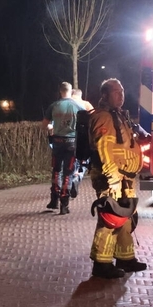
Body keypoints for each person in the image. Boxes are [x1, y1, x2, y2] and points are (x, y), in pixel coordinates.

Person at [88, 78, 148, 279]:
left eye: (121, 91)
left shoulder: (119, 115)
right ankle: (101, 263)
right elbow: (105, 149)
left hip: (124, 177)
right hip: (112, 178)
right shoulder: (103, 117)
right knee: (110, 218)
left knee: (125, 217)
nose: (121, 95)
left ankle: (125, 258)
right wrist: (112, 179)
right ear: (105, 95)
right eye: (116, 92)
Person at [43, 81, 85, 214]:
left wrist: (52, 127)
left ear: (60, 91)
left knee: (56, 170)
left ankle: (54, 199)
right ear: (71, 91)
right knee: (68, 173)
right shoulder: (78, 106)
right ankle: (64, 204)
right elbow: (86, 124)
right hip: (72, 143)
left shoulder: (53, 106)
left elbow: (44, 125)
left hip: (57, 142)